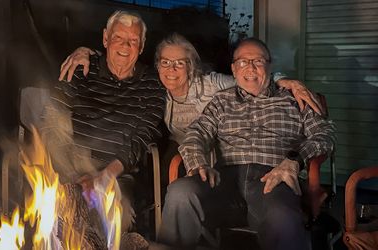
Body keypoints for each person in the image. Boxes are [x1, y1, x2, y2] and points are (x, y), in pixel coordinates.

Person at [59, 33, 322, 188]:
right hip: (185, 148)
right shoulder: (155, 87)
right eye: (165, 62)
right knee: (160, 170)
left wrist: (283, 79)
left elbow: (250, 78)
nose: (171, 69)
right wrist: (88, 52)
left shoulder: (212, 83)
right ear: (157, 66)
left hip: (223, 151)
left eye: (180, 63)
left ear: (192, 66)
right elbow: (120, 65)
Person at [157, 38, 336, 250]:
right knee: (180, 192)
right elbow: (198, 131)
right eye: (242, 62)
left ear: (269, 65)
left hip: (274, 179)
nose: (250, 67)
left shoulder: (295, 99)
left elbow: (325, 134)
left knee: (283, 218)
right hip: (225, 180)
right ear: (233, 69)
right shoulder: (221, 101)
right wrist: (198, 163)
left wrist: (294, 160)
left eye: (258, 61)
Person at [51, 10, 166, 231]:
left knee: (116, 215)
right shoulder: (78, 70)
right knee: (58, 210)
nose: (125, 46)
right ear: (105, 38)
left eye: (133, 40)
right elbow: (52, 122)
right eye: (118, 38)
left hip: (117, 174)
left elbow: (142, 137)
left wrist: (104, 177)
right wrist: (73, 174)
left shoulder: (152, 84)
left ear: (141, 46)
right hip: (69, 169)